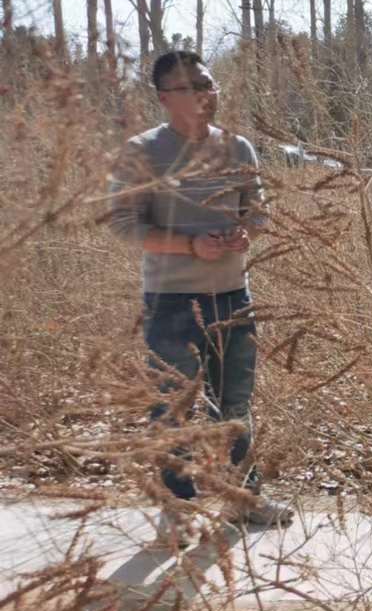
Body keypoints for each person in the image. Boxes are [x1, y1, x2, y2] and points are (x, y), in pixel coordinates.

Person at [108, 51, 294, 546]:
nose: (204, 92)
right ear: (166, 98)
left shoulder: (239, 149)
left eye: (207, 82)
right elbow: (126, 225)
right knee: (173, 411)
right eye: (190, 86)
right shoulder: (142, 151)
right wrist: (189, 245)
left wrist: (244, 233)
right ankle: (178, 511)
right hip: (171, 302)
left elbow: (259, 212)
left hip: (233, 297)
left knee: (234, 405)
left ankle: (243, 498)